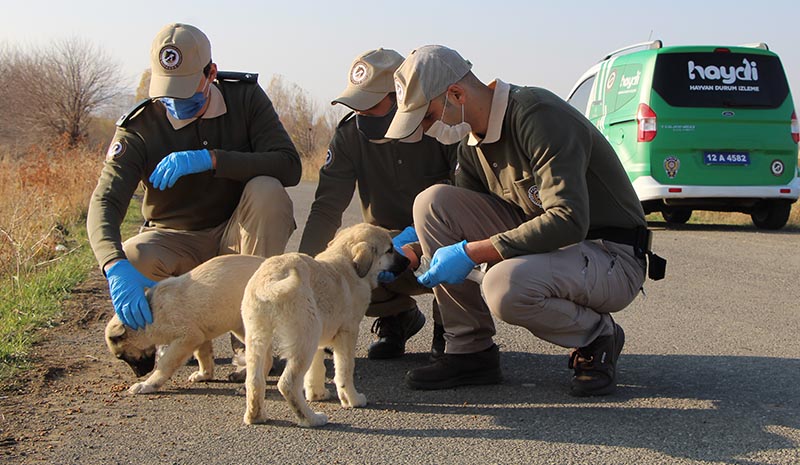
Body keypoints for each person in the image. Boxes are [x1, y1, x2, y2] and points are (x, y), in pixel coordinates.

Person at [385, 45, 664, 396]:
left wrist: (472, 254)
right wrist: (411, 252)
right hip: (553, 250)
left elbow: (568, 219)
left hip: (608, 254)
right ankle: (469, 351)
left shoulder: (538, 115)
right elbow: (460, 225)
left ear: (456, 94)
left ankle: (597, 335)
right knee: (432, 202)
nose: (427, 130)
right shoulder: (472, 144)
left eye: (427, 117)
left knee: (503, 286)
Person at [86, 22, 301, 355]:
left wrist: (213, 159)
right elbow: (105, 202)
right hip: (175, 239)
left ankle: (252, 336)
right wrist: (114, 267)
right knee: (133, 256)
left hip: (237, 235)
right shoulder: (139, 128)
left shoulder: (245, 98)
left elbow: (289, 165)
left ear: (211, 73)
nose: (175, 100)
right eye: (167, 90)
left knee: (268, 192)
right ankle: (173, 335)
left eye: (186, 88)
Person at [298, 48, 457, 359]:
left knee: (455, 251)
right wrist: (307, 270)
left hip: (440, 233)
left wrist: (412, 239)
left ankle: (451, 328)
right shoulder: (349, 136)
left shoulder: (442, 127)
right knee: (344, 259)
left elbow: (467, 195)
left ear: (401, 98)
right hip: (384, 243)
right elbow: (327, 208)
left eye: (370, 105)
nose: (362, 115)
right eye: (356, 106)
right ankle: (397, 317)